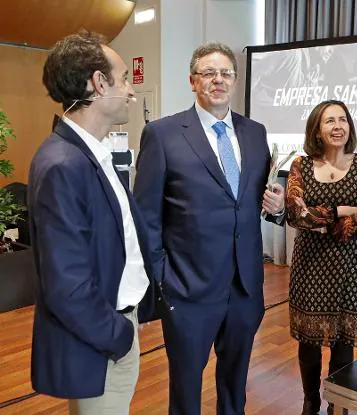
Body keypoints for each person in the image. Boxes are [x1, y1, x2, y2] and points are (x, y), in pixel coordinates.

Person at [133, 42, 285, 415]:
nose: (218, 80)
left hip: (245, 287)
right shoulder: (163, 134)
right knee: (186, 389)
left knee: (235, 385)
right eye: (208, 73)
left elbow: (252, 202)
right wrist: (162, 278)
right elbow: (146, 216)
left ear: (234, 80)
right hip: (188, 289)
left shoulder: (255, 132)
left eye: (226, 73)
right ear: (192, 81)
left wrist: (277, 208)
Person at [28, 32, 157, 414]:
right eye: (123, 80)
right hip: (101, 343)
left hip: (115, 329)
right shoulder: (62, 164)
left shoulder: (89, 152)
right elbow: (66, 284)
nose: (131, 91)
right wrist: (118, 336)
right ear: (99, 84)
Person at [286, 100, 357, 415]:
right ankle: (310, 401)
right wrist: (341, 211)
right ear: (317, 128)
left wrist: (322, 224)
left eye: (343, 119)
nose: (338, 126)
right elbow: (295, 214)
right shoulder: (301, 165)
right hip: (310, 266)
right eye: (330, 121)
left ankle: (338, 405)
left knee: (343, 342)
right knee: (309, 344)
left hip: (351, 266)